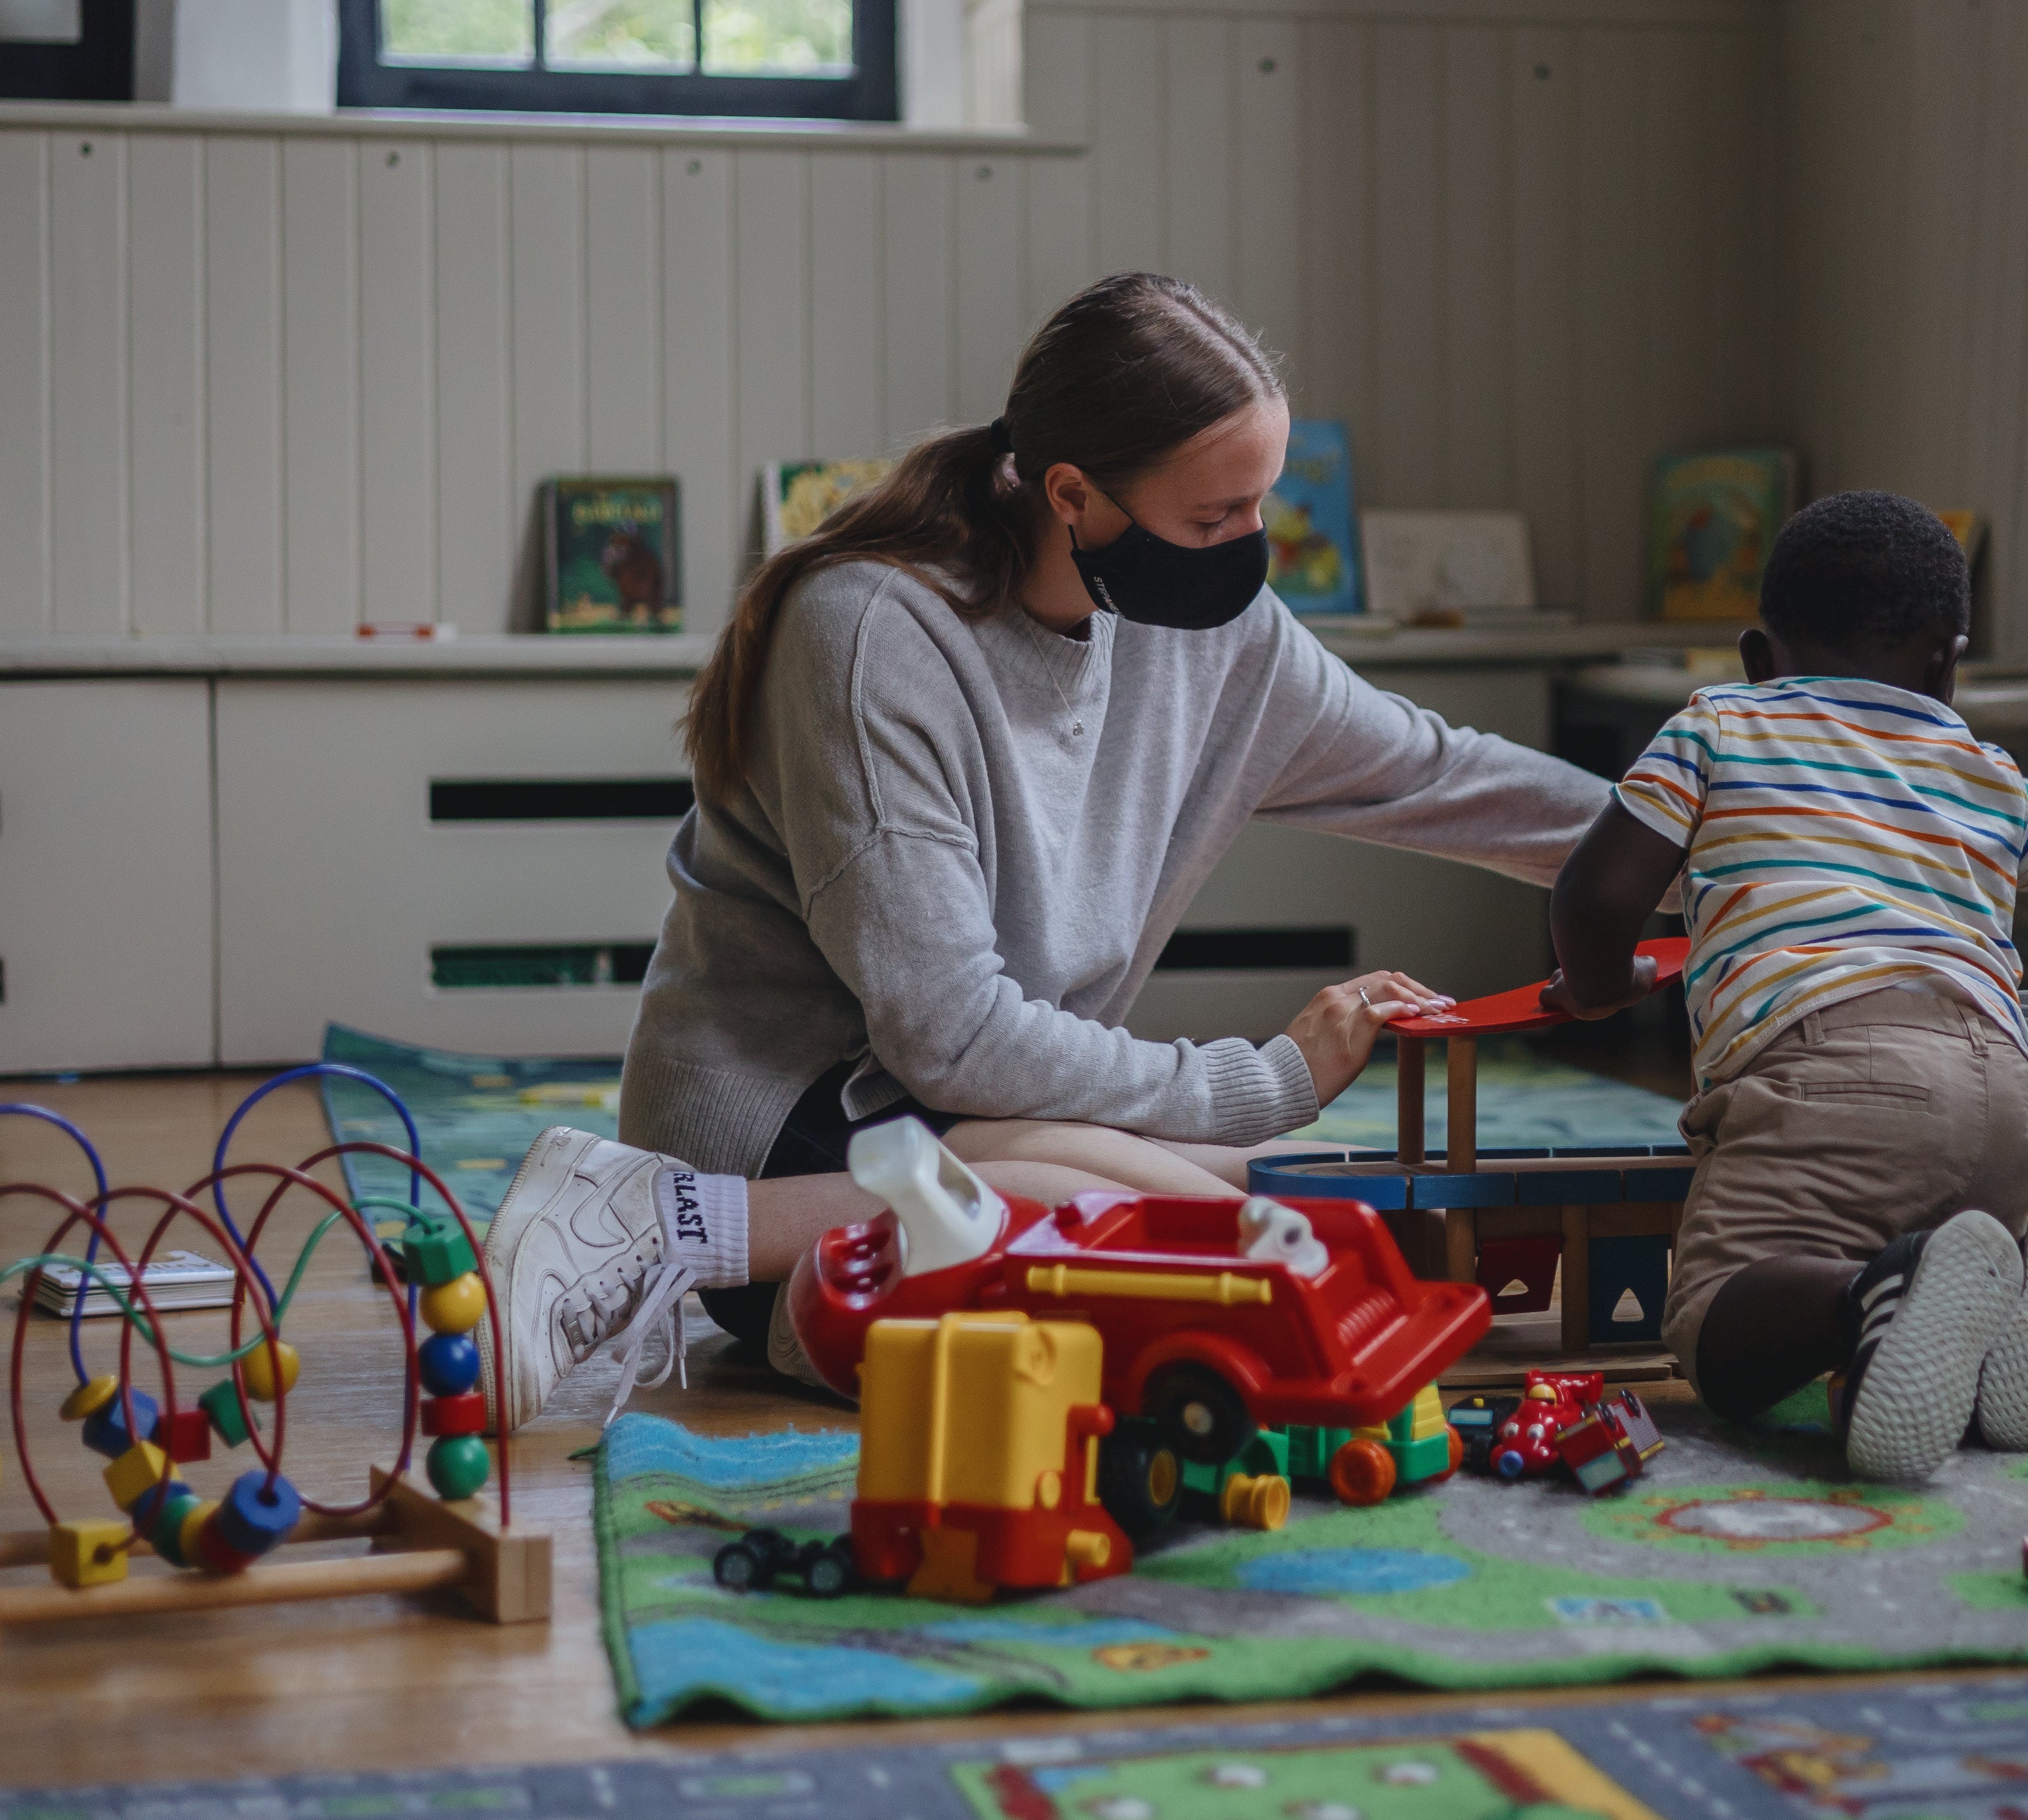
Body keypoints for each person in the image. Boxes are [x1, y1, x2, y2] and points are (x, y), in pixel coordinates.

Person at [479, 274, 1607, 1427]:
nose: (1248, 549)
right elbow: (949, 1032)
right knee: (1151, 1269)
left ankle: (722, 1240)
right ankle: (665, 1225)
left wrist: (1689, 836)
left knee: (1285, 1215)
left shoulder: (1219, 638)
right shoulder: (875, 633)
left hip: (975, 1113)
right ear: (1073, 493)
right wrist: (1262, 1080)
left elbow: (1437, 773)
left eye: (1260, 506)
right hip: (789, 1135)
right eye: (1213, 520)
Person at [1545, 490, 2028, 1482]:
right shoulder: (1983, 767)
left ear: (1757, 658)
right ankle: (2003, 1308)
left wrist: (1599, 987)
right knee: (1949, 1270)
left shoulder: (1723, 723)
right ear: (1948, 662)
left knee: (1714, 1321)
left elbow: (1599, 891)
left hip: (1829, 1059)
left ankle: (1880, 1290)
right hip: (2002, 1091)